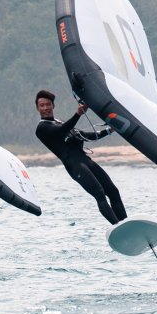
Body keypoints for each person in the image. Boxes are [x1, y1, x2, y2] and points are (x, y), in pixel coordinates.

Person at [34, 89, 127, 225]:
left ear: (53, 106)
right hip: (75, 166)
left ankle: (127, 223)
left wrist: (109, 130)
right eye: (42, 105)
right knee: (99, 194)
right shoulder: (42, 128)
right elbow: (62, 131)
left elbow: (85, 135)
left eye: (48, 104)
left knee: (113, 191)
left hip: (86, 161)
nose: (45, 108)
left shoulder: (58, 122)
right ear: (37, 108)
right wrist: (77, 114)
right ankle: (118, 226)